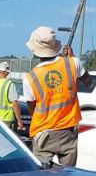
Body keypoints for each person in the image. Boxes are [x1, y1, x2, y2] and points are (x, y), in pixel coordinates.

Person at [22, 26, 91, 166]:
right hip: (68, 132)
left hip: (44, 133)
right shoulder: (72, 63)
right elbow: (88, 82)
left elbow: (32, 108)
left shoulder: (31, 77)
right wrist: (72, 58)